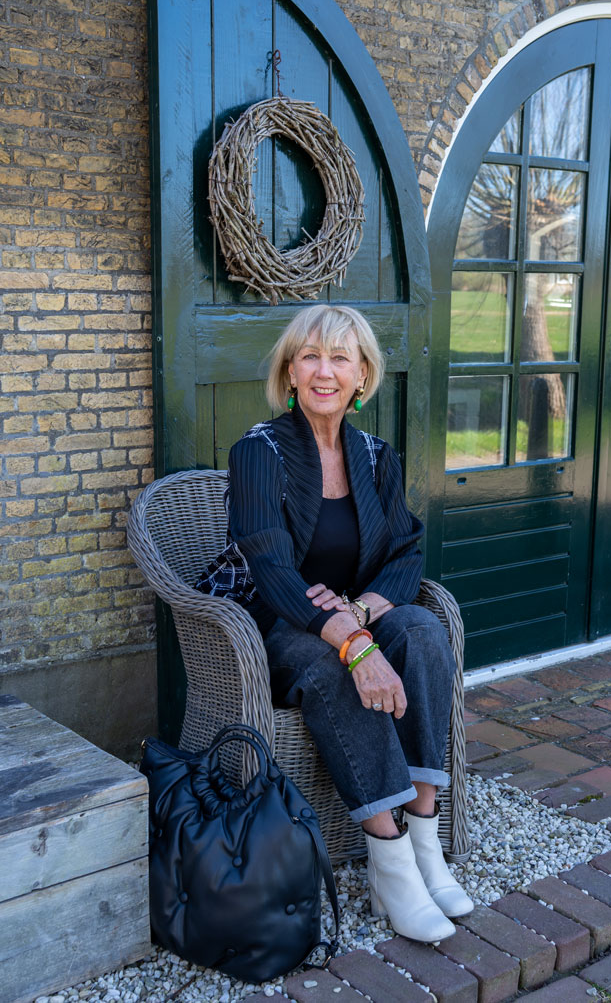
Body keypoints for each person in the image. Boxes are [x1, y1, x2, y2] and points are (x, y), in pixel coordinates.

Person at [209, 304, 472, 942]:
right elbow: (268, 565)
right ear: (290, 371)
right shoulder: (258, 451)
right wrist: (353, 643)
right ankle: (390, 864)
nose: (325, 371)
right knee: (335, 669)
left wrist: (365, 612)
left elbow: (405, 552)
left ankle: (424, 839)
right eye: (311, 356)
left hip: (347, 610)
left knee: (421, 630)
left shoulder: (376, 457)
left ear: (362, 377)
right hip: (275, 627)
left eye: (341, 358)